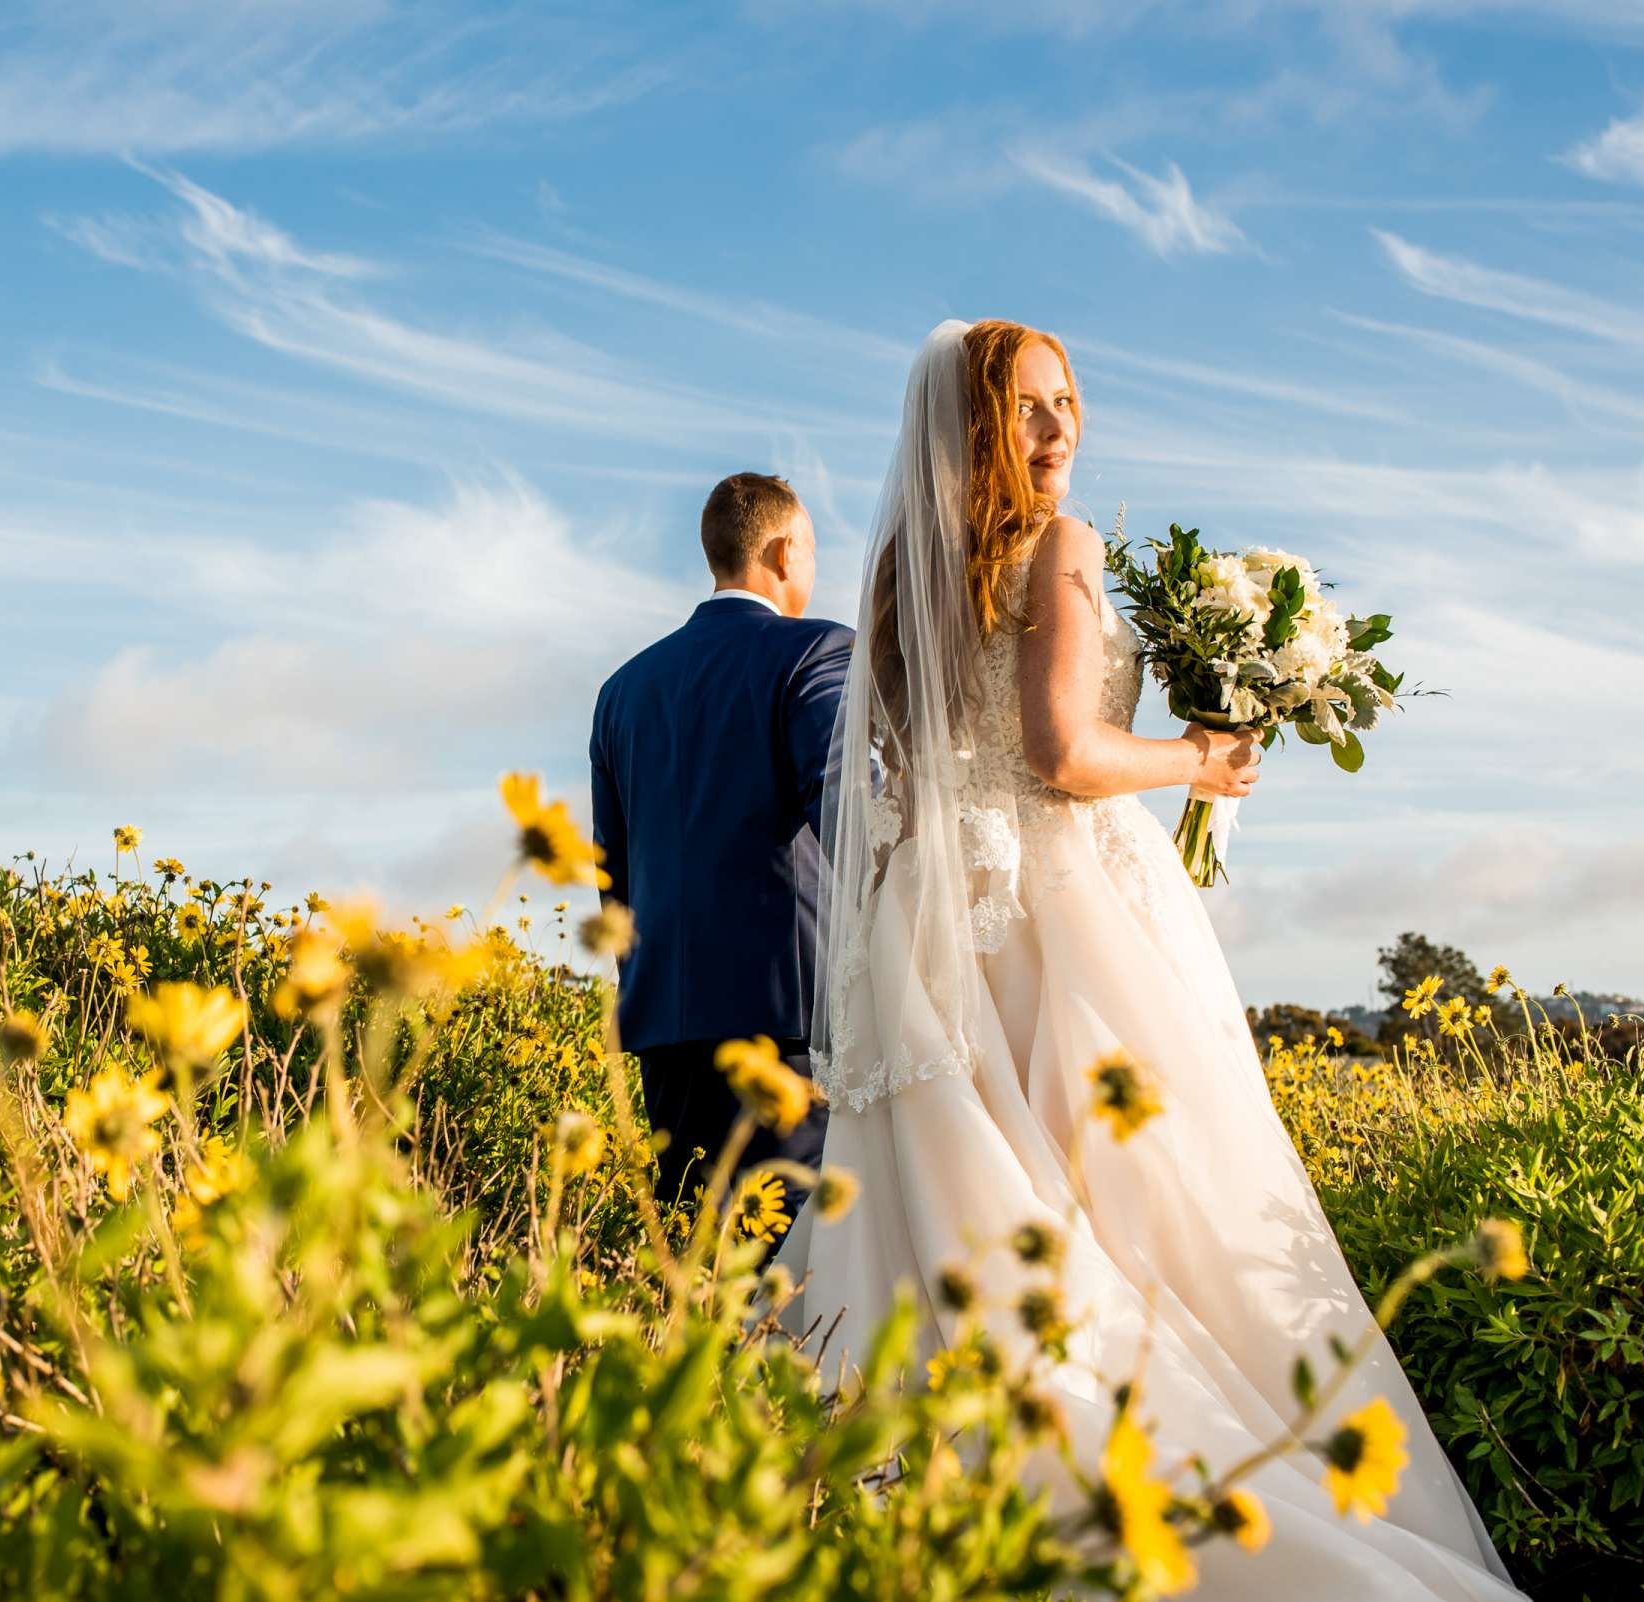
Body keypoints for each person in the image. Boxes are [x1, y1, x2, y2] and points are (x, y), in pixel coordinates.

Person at [773, 319, 1525, 1599]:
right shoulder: (1065, 548)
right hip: (1070, 922)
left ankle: (909, 1505)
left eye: (1067, 402)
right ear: (971, 430)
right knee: (1156, 1219)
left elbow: (923, 760)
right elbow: (1064, 757)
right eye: (1025, 409)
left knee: (961, 1219)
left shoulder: (899, 567)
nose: (1058, 430)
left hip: (933, 931)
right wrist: (1204, 760)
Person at [588, 472, 850, 1215]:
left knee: (698, 1275)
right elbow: (850, 815)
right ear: (780, 551)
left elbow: (614, 874)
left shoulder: (623, 689)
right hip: (785, 1022)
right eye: (810, 549)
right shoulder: (814, 651)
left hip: (664, 1029)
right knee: (787, 1272)